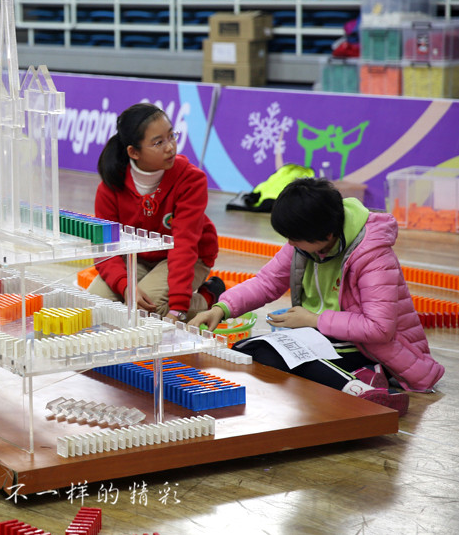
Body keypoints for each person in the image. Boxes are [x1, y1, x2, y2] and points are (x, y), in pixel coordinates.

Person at [189, 178, 444, 416]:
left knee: (267, 351)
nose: (290, 243)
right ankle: (360, 376)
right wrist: (220, 309)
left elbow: (379, 329)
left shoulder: (373, 256)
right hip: (328, 337)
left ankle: (363, 390)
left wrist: (313, 319)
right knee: (251, 350)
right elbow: (266, 282)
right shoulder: (305, 245)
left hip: (374, 347)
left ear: (327, 235)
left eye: (294, 238)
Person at [88, 103, 222, 321]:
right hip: (137, 257)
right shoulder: (110, 187)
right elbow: (105, 248)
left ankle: (208, 298)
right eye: (158, 142)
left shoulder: (191, 180)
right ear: (133, 152)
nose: (170, 147)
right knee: (95, 306)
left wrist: (178, 308)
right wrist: (125, 286)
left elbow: (184, 245)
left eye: (172, 136)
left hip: (188, 256)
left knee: (145, 312)